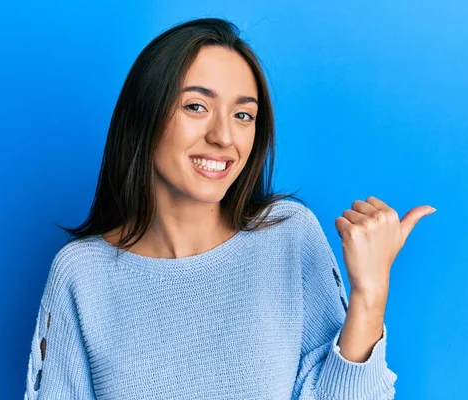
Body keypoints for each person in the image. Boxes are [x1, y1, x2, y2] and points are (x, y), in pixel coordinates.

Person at [24, 17, 398, 399]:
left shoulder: (289, 235)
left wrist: (370, 294)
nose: (223, 137)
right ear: (144, 117)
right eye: (197, 106)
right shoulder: (82, 274)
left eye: (243, 115)